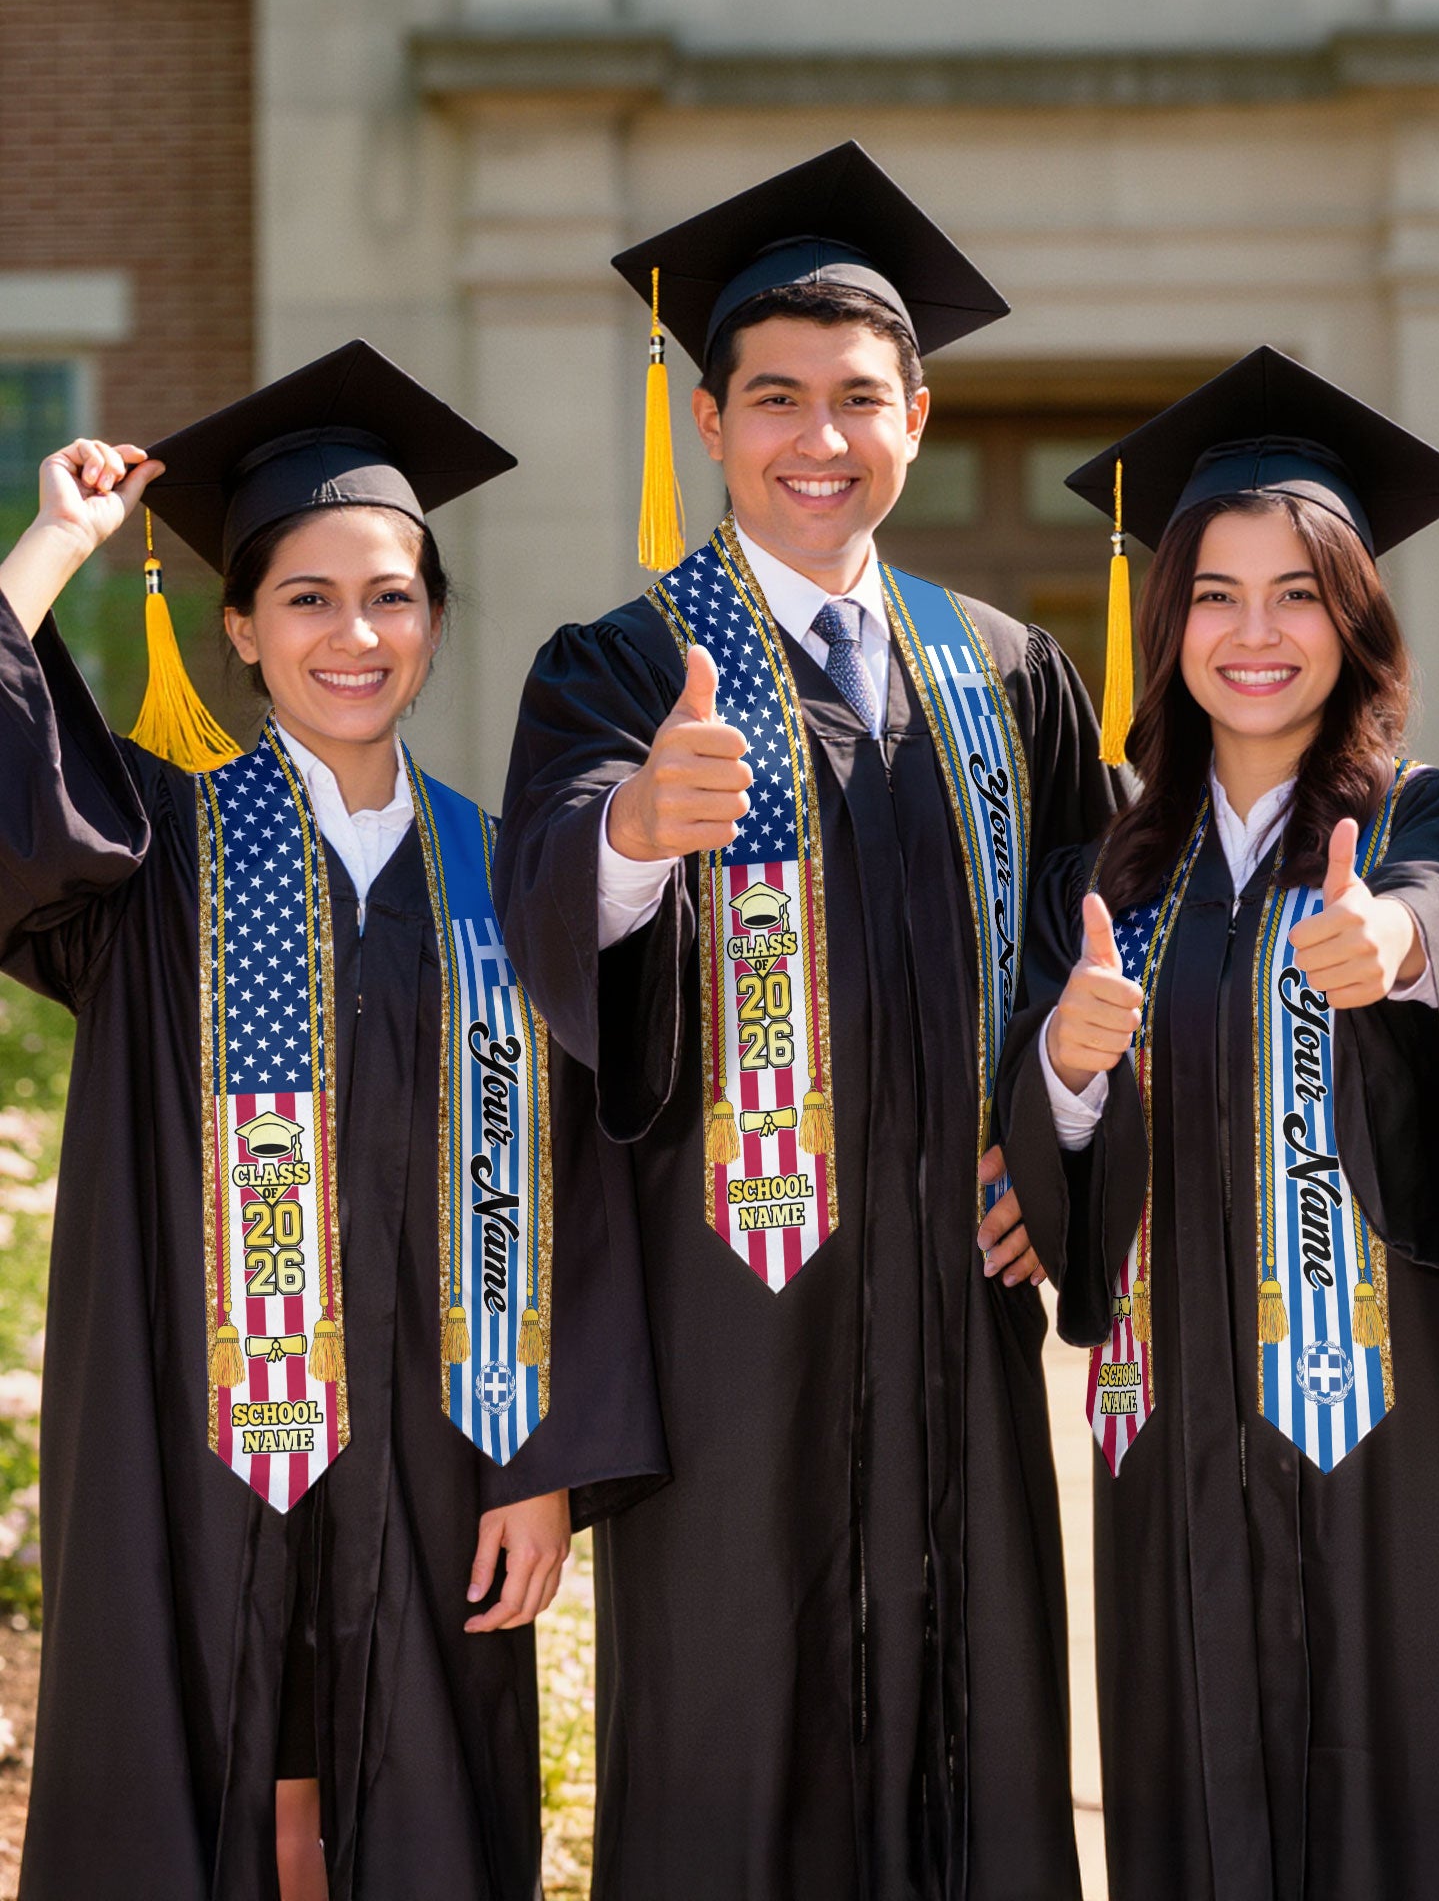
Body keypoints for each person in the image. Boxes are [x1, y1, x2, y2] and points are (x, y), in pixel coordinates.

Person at [495, 141, 1121, 1900]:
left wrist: (1059, 1144)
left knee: (977, 1729)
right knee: (735, 1746)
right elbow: (545, 904)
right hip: (731, 1327)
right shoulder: (619, 666)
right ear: (710, 422)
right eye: (775, 399)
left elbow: (1110, 939)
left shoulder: (1008, 670)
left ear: (917, 416)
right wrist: (630, 834)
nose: (818, 438)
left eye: (860, 398)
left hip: (958, 1315)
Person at [0, 341, 664, 1901]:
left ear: (434, 620)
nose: (352, 634)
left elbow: (586, 1182)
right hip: (191, 1435)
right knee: (200, 1769)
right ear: (239, 627)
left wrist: (546, 1463)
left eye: (391, 595)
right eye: (305, 597)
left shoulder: (510, 875)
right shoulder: (148, 851)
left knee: (422, 1800)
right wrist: (53, 547)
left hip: (444, 1452)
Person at [998, 347, 1439, 1899]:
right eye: (1216, 595)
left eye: (1300, 593)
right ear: (1167, 621)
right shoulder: (1100, 879)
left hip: (1402, 1431)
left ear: (1358, 618)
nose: (1257, 635)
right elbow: (1047, 1146)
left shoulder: (1436, 817)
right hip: (1174, 1432)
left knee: (1427, 1796)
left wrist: (1397, 951)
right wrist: (1062, 1060)